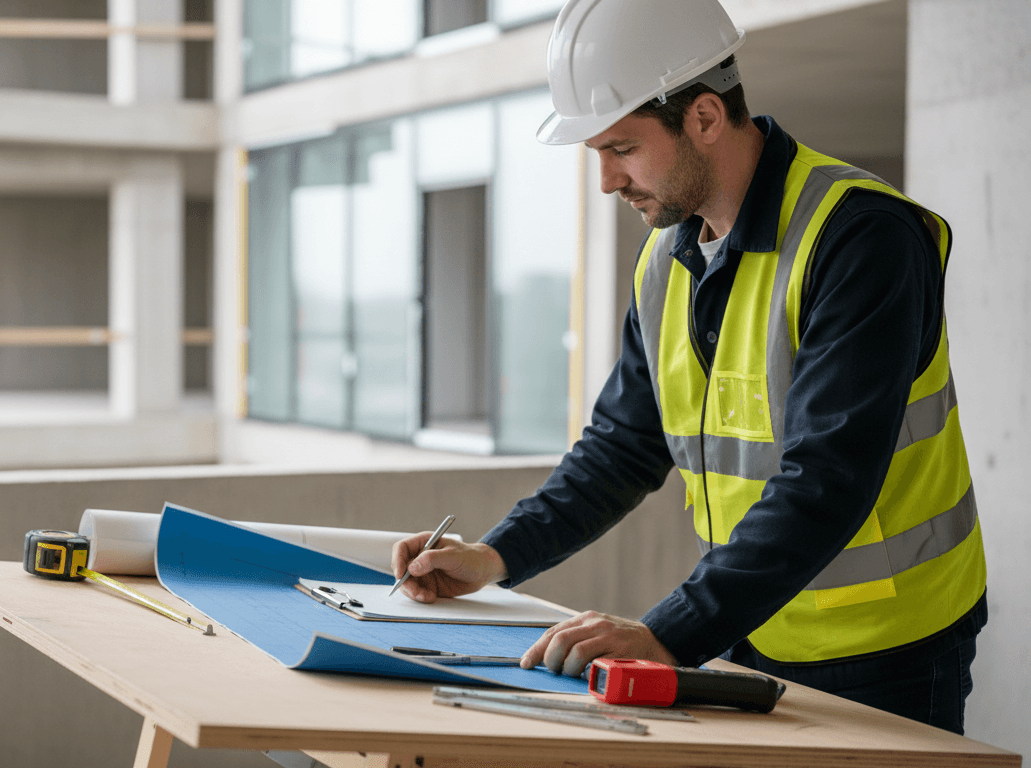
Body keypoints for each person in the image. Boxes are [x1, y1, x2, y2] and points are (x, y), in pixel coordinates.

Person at [391, 0, 987, 735]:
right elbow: (621, 448)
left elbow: (829, 477)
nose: (607, 180)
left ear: (705, 117)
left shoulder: (862, 237)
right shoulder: (666, 261)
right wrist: (495, 554)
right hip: (753, 628)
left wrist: (669, 632)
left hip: (889, 651)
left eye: (622, 148)